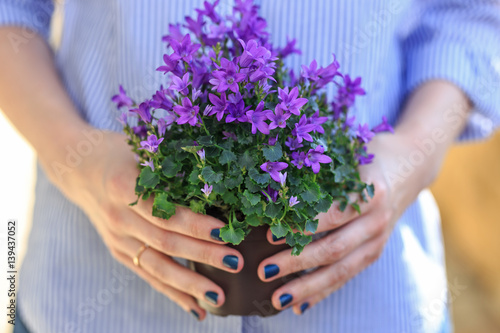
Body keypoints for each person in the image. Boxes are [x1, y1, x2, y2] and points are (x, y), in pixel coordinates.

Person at [1, 0, 499, 332]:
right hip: (91, 300)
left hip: (367, 306)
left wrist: (411, 154)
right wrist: (75, 154)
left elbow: (471, 16)